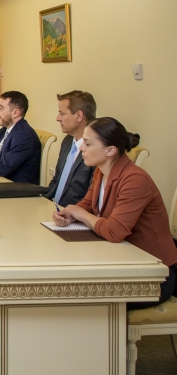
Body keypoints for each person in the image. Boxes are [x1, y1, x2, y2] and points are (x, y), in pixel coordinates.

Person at [53, 118, 177, 310]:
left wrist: (81, 215)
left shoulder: (135, 179)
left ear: (110, 150)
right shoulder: (101, 171)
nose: (81, 148)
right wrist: (70, 213)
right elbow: (87, 204)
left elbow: (114, 231)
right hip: (122, 261)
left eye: (88, 144)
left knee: (80, 300)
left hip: (154, 274)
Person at [44, 91, 96, 207]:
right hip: (53, 208)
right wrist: (43, 201)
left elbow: (91, 198)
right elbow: (56, 179)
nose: (57, 118)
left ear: (79, 116)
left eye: (62, 114)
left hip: (73, 214)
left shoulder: (96, 150)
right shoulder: (67, 141)